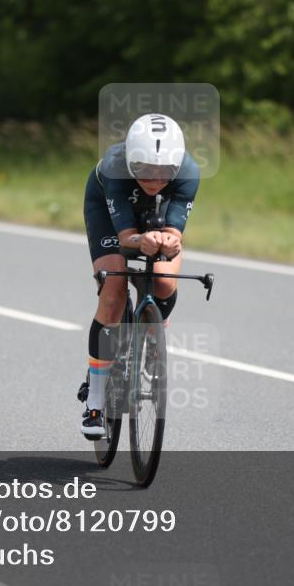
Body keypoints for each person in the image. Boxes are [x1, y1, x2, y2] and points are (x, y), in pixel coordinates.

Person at [78, 113, 199, 437]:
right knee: (115, 288)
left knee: (162, 280)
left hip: (154, 215)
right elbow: (125, 237)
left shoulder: (188, 172)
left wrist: (170, 241)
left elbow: (174, 232)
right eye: (145, 169)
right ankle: (95, 401)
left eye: (165, 173)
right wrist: (139, 240)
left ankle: (152, 330)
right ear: (131, 160)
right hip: (109, 213)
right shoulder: (114, 169)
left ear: (176, 166)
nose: (155, 179)